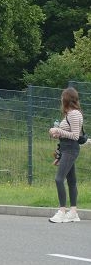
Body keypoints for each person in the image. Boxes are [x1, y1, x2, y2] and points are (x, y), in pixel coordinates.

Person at [48, 87, 84, 223]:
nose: (61, 99)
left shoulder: (74, 114)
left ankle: (62, 211)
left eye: (62, 97)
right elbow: (68, 134)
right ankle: (73, 212)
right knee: (71, 180)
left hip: (70, 149)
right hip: (66, 148)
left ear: (67, 99)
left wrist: (58, 130)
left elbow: (75, 136)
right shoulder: (70, 114)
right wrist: (57, 133)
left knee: (59, 179)